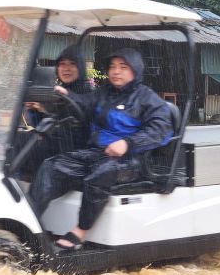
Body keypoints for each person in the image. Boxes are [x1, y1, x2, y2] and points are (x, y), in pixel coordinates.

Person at [29, 48, 175, 250]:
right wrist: (65, 94)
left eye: (123, 67)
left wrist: (128, 143)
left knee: (101, 172)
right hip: (98, 153)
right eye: (113, 67)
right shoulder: (105, 92)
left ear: (135, 70)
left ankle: (80, 231)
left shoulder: (147, 98)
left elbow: (161, 130)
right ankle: (29, 224)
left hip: (132, 160)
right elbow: (84, 103)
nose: (116, 72)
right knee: (52, 166)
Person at [17, 46, 93, 176]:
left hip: (74, 149)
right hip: (57, 142)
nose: (66, 68)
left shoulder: (89, 92)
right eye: (62, 64)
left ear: (80, 67)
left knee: (21, 143)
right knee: (7, 137)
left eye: (72, 64)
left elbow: (83, 110)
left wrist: (68, 95)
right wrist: (38, 109)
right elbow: (44, 122)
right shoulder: (57, 91)